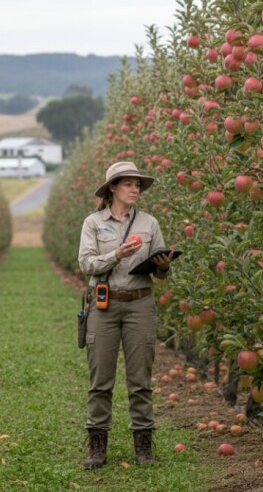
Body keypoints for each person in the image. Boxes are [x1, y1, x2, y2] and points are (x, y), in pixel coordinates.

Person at [77, 161, 172, 469]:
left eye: (138, 185)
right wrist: (116, 254)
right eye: (128, 184)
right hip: (104, 305)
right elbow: (87, 264)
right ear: (113, 189)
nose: (135, 189)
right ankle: (96, 447)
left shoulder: (149, 223)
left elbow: (161, 275)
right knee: (101, 379)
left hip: (140, 304)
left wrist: (163, 264)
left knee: (141, 379)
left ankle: (143, 447)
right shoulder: (93, 223)